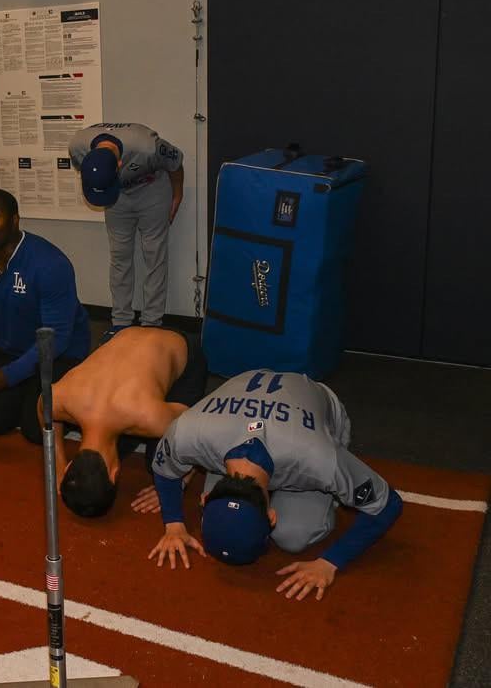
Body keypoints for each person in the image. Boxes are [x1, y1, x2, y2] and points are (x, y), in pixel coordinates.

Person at [148, 370, 403, 601]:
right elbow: (163, 468)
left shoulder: (318, 458)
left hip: (313, 416)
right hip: (238, 412)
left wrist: (330, 562)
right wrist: (173, 524)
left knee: (293, 536)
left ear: (272, 516)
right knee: (238, 521)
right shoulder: (188, 433)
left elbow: (387, 503)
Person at [0, 188, 91, 443]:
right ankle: (28, 386)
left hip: (60, 353)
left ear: (15, 220)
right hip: (11, 347)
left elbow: (56, 337)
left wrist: (7, 377)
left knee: (35, 431)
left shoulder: (50, 263)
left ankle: (67, 390)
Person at [45, 326, 207, 518]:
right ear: (70, 465)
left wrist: (176, 485)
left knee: (159, 464)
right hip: (124, 335)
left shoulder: (151, 419)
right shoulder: (62, 400)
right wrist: (57, 463)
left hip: (177, 346)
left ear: (115, 474)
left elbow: (200, 432)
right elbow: (43, 409)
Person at [68, 123, 184, 339]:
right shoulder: (77, 147)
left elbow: (176, 161)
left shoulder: (147, 146)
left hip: (152, 190)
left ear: (120, 163)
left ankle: (151, 324)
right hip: (118, 195)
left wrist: (178, 194)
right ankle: (120, 322)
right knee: (119, 256)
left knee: (154, 254)